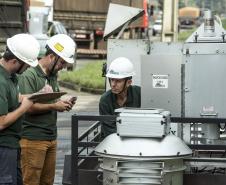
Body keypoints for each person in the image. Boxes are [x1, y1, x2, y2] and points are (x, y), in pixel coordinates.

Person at [18, 34, 77, 185]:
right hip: (33, 139)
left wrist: (61, 103)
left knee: (47, 182)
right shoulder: (29, 75)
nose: (63, 66)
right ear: (51, 56)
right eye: (62, 62)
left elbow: (49, 99)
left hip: (51, 137)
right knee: (30, 181)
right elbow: (27, 107)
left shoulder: (52, 75)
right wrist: (53, 106)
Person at [0, 33, 40, 185]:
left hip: (12, 145)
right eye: (27, 64)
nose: (29, 67)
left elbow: (16, 99)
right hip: (3, 148)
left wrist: (38, 95)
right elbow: (1, 122)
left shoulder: (11, 77)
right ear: (15, 61)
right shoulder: (1, 81)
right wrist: (25, 107)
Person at [99, 57, 141, 138]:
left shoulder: (140, 94)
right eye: (112, 80)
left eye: (118, 81)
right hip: (112, 143)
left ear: (128, 82)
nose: (113, 84)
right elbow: (109, 131)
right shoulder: (105, 100)